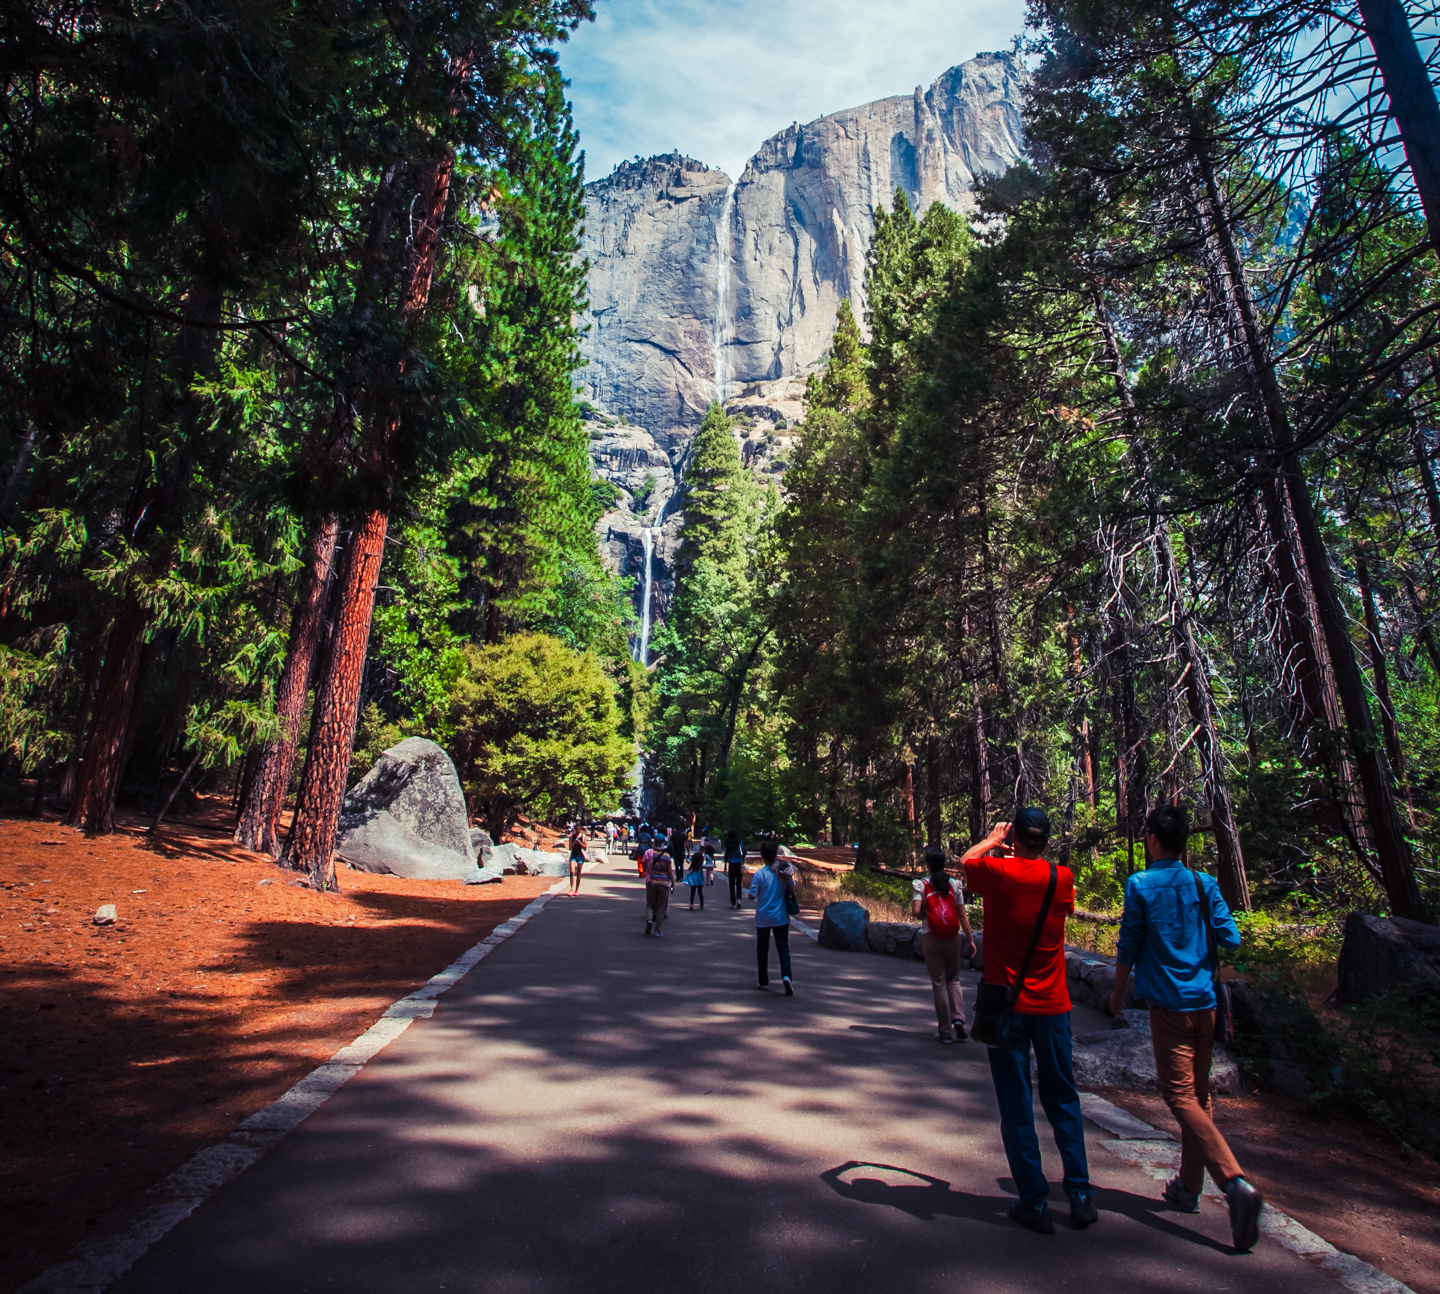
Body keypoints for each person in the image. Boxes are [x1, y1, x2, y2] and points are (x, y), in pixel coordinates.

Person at [1108, 803, 1262, 1253]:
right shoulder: (1204, 883)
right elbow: (1231, 937)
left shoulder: (1139, 884)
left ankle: (1234, 1184)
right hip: (1207, 1004)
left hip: (1169, 1008)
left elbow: (1128, 945)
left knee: (1177, 1096)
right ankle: (1188, 1189)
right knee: (1200, 1097)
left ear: (1153, 839)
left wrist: (1117, 995)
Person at [961, 809, 1096, 1234]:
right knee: (1063, 1099)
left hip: (1008, 1009)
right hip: (1053, 1007)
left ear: (1015, 836)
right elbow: (1063, 913)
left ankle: (1034, 1201)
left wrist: (992, 840)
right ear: (1046, 840)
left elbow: (966, 863)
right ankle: (1079, 1195)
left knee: (1017, 1105)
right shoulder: (1062, 878)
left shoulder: (999, 873)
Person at [912, 845, 977, 1043]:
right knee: (953, 978)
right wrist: (970, 940)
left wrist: (928, 916)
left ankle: (945, 1031)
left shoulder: (921, 884)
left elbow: (916, 912)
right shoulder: (955, 885)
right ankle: (958, 1018)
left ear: (928, 864)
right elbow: (962, 915)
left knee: (939, 984)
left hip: (931, 935)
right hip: (952, 936)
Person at [747, 839, 795, 995]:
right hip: (781, 916)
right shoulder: (783, 873)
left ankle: (763, 980)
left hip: (763, 917)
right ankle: (787, 976)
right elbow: (792, 887)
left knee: (762, 948)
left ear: (762, 856)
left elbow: (752, 896)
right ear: (776, 854)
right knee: (783, 947)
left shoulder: (759, 875)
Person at [644, 848, 675, 936]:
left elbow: (644, 866)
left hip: (651, 882)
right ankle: (657, 930)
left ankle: (649, 919)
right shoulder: (666, 856)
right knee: (660, 907)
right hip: (663, 883)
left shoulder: (649, 854)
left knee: (650, 904)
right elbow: (669, 871)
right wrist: (673, 883)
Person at [724, 830, 746, 908]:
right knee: (739, 883)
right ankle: (739, 900)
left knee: (731, 884)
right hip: (739, 865)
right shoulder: (740, 843)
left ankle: (733, 903)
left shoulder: (728, 845)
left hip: (732, 865)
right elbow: (744, 853)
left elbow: (726, 856)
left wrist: (725, 866)